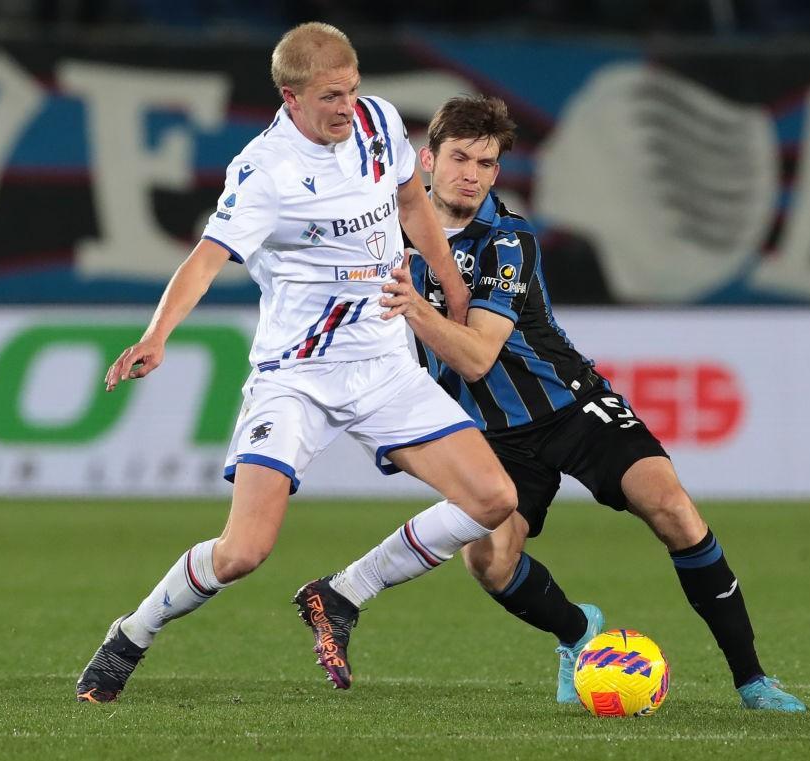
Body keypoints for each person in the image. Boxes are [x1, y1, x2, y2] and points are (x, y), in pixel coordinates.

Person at [314, 95, 806, 712]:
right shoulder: (382, 232)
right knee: (489, 563)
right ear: (426, 160)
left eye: (487, 163)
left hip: (570, 406)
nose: (472, 174)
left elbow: (477, 358)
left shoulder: (508, 240)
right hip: (488, 433)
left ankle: (752, 679)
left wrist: (414, 306)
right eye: (460, 158)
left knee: (673, 509)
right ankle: (579, 634)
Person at [75, 24, 517, 703]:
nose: (348, 106)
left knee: (493, 499)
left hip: (383, 361)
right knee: (243, 551)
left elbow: (407, 203)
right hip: (297, 376)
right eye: (332, 96)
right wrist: (157, 334)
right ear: (291, 97)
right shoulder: (266, 170)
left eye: (354, 89)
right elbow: (206, 258)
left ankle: (341, 594)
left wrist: (451, 284)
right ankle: (133, 631)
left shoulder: (380, 123)